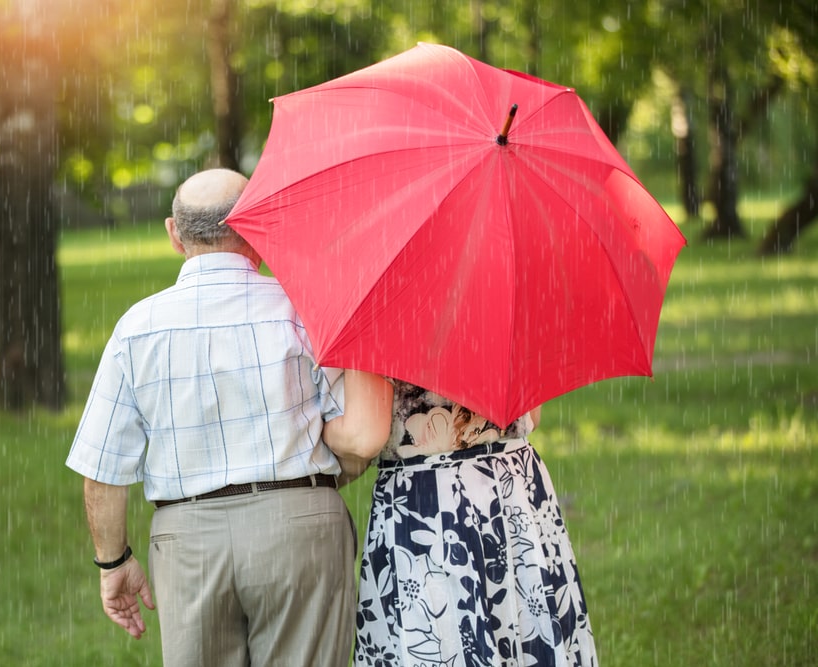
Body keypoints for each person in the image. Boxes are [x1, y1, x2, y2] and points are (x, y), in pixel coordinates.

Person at [65, 168, 392, 666]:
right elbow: (354, 434)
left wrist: (114, 561)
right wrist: (314, 488)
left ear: (174, 235)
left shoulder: (136, 329)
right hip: (299, 525)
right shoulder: (301, 312)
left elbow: (103, 470)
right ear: (257, 230)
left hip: (188, 538)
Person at [330, 379, 598, 667]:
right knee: (522, 626)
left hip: (429, 502)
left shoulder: (379, 332)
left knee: (439, 638)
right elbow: (531, 415)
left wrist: (325, 432)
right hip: (512, 488)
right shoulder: (498, 331)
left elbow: (364, 435)